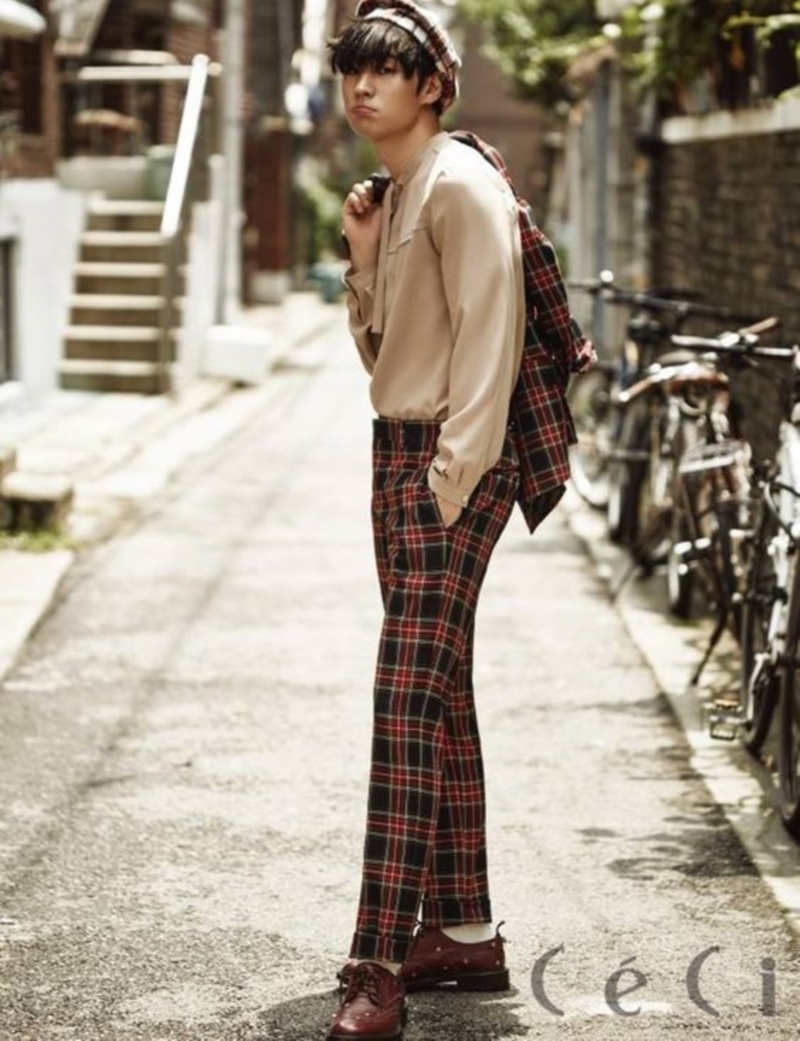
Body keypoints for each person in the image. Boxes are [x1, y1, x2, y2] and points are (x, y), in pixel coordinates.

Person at [327, 3, 528, 1037]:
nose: (363, 88)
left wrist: (449, 483)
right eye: (352, 71)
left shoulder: (459, 186)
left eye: (387, 71)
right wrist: (363, 255)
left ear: (433, 86)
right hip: (398, 453)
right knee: (437, 695)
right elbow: (385, 355)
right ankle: (460, 930)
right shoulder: (401, 193)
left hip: (452, 462)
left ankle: (377, 962)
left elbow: (491, 344)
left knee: (403, 700)